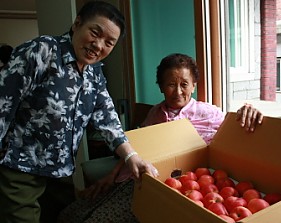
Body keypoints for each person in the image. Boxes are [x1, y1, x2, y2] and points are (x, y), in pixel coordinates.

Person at [0, 1, 158, 223]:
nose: (98, 45)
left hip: (60, 171)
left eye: (109, 43)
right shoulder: (43, 50)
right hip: (21, 166)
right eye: (95, 32)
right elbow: (3, 100)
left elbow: (106, 116)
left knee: (62, 217)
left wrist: (131, 156)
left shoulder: (94, 73)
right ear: (77, 24)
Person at [57, 53, 263, 223]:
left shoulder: (208, 113)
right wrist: (111, 175)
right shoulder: (155, 113)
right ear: (161, 86)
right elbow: (136, 147)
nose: (178, 91)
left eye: (184, 84)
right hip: (136, 176)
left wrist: (248, 109)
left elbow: (235, 129)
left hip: (168, 187)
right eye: (171, 84)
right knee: (70, 214)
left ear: (194, 85)